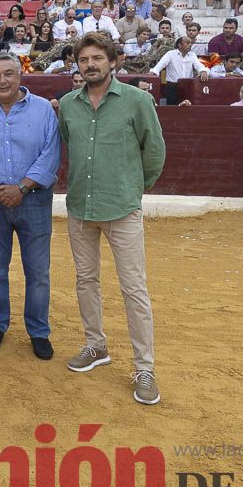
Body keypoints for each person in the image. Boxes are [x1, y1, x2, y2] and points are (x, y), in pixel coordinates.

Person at [58, 33, 165, 406]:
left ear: (113, 61)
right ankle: (96, 345)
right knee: (86, 280)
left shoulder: (137, 101)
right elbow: (69, 147)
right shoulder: (69, 105)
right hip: (80, 208)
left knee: (134, 288)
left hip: (122, 208)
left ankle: (145, 367)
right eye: (84, 59)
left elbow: (154, 152)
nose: (90, 65)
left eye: (97, 59)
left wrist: (131, 188)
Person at [0, 53, 61, 358]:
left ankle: (38, 330)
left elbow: (51, 154)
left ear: (20, 76)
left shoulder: (44, 110)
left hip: (33, 200)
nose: (3, 81)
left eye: (9, 74)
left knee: (38, 271)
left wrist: (21, 188)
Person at [151, 36, 207, 105]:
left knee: (187, 108)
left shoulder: (192, 55)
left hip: (187, 86)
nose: (190, 45)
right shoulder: (171, 54)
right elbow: (161, 64)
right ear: (180, 45)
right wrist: (154, 72)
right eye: (187, 43)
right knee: (171, 109)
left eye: (191, 43)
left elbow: (199, 65)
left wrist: (203, 71)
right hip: (172, 86)